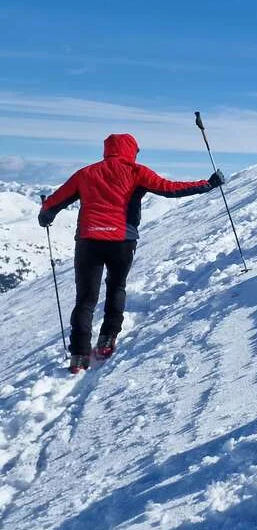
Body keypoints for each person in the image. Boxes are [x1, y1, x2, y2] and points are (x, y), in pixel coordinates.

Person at [37, 133, 224, 372]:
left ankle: (79, 356)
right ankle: (107, 340)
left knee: (85, 299)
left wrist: (46, 214)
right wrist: (207, 185)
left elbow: (55, 201)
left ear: (107, 149)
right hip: (122, 242)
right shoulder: (137, 171)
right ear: (132, 150)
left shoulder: (86, 173)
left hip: (88, 241)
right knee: (116, 287)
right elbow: (170, 189)